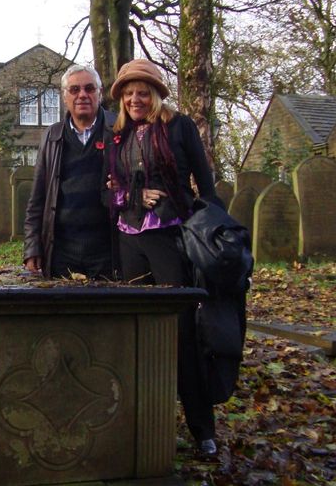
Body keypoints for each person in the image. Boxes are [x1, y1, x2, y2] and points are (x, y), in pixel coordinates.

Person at [104, 58, 219, 455]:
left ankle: (202, 428)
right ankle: (140, 425)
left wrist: (213, 229)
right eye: (128, 93)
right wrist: (132, 195)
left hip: (169, 236)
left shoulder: (179, 126)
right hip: (129, 241)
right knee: (137, 330)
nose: (135, 99)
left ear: (154, 95)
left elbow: (205, 183)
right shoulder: (117, 136)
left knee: (180, 331)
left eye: (142, 92)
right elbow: (108, 191)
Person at [23, 65, 116, 278]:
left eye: (89, 88)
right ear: (65, 97)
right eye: (74, 90)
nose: (82, 95)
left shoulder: (118, 128)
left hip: (108, 249)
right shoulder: (52, 136)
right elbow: (37, 198)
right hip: (62, 250)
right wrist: (32, 247)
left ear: (100, 94)